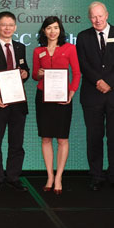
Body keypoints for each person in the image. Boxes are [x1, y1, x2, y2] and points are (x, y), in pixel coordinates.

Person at [76, 2, 114, 193]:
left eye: (100, 16)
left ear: (107, 15)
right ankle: (96, 175)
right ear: (89, 17)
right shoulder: (83, 37)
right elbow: (83, 63)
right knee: (94, 138)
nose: (97, 20)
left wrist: (109, 82)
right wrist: (98, 81)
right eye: (93, 16)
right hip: (92, 95)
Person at [0, 11, 30, 193]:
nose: (7, 28)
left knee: (17, 143)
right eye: (3, 24)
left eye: (11, 24)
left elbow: (23, 69)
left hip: (18, 103)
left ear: (15, 27)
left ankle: (14, 177)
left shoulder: (20, 47)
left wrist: (25, 73)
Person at [32, 16, 81, 195]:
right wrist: (38, 73)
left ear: (60, 30)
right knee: (46, 138)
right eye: (49, 28)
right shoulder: (38, 51)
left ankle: (59, 176)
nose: (53, 31)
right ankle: (50, 176)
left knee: (62, 139)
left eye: (56, 28)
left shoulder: (70, 48)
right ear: (43, 31)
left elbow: (76, 73)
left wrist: (71, 93)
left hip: (62, 98)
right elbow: (34, 76)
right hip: (43, 97)